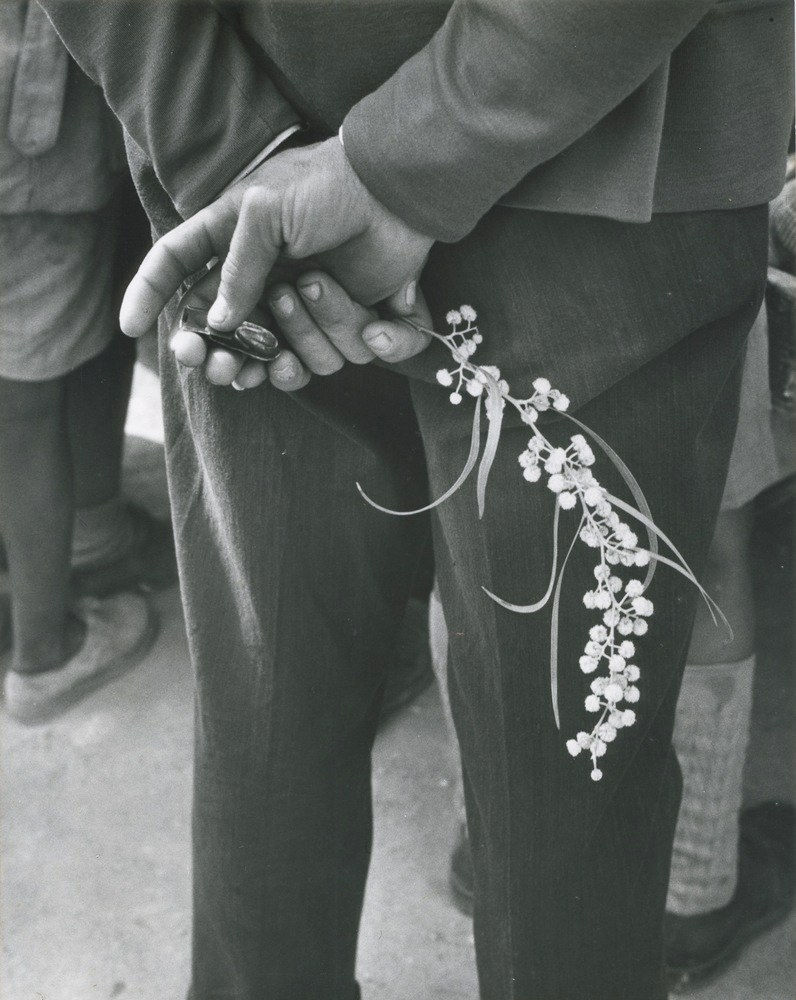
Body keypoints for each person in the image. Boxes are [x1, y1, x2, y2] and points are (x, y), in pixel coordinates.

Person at [40, 2, 793, 998]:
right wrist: (384, 162)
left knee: (271, 708)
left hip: (251, 146)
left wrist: (227, 142)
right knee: (560, 795)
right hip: (608, 156)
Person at [0, 1, 176, 722]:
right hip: (28, 148)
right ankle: (45, 650)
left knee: (75, 335)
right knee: (26, 392)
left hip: (39, 135)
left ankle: (92, 536)